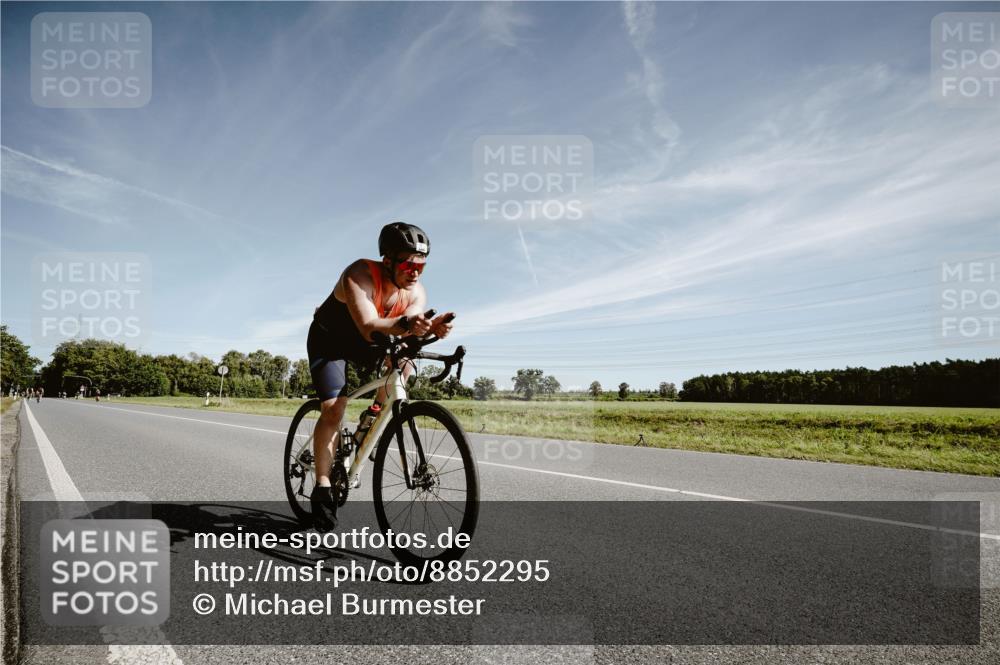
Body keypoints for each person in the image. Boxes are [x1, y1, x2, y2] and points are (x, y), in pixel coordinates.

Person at [307, 222, 454, 531]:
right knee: (334, 409)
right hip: (330, 340)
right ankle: (321, 486)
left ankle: (373, 415)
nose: (415, 271)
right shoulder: (359, 275)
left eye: (421, 265)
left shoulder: (416, 293)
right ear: (387, 260)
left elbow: (407, 334)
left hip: (372, 342)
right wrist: (407, 323)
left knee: (406, 366)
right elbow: (368, 325)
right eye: (407, 263)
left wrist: (432, 331)